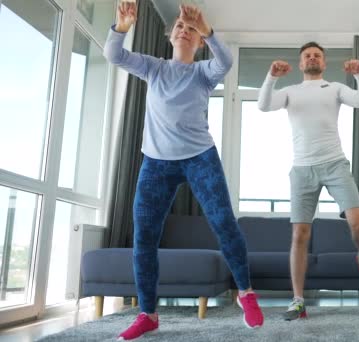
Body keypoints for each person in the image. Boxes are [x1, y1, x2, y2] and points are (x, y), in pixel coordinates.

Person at [104, 2, 264, 339]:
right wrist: (121, 27)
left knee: (224, 223)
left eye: (191, 29)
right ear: (170, 34)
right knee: (144, 238)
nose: (184, 30)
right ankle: (148, 314)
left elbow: (226, 61)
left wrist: (207, 27)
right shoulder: (153, 67)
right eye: (179, 26)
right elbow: (114, 56)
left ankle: (246, 294)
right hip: (156, 163)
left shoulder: (204, 72)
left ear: (199, 40)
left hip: (200, 158)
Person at [257, 42, 359, 321]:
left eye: (317, 55)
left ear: (324, 63)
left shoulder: (334, 88)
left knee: (358, 223)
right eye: (307, 55)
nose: (312, 58)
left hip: (335, 164)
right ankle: (298, 300)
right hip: (302, 170)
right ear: (300, 64)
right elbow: (263, 105)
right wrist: (271, 76)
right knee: (300, 235)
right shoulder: (290, 92)